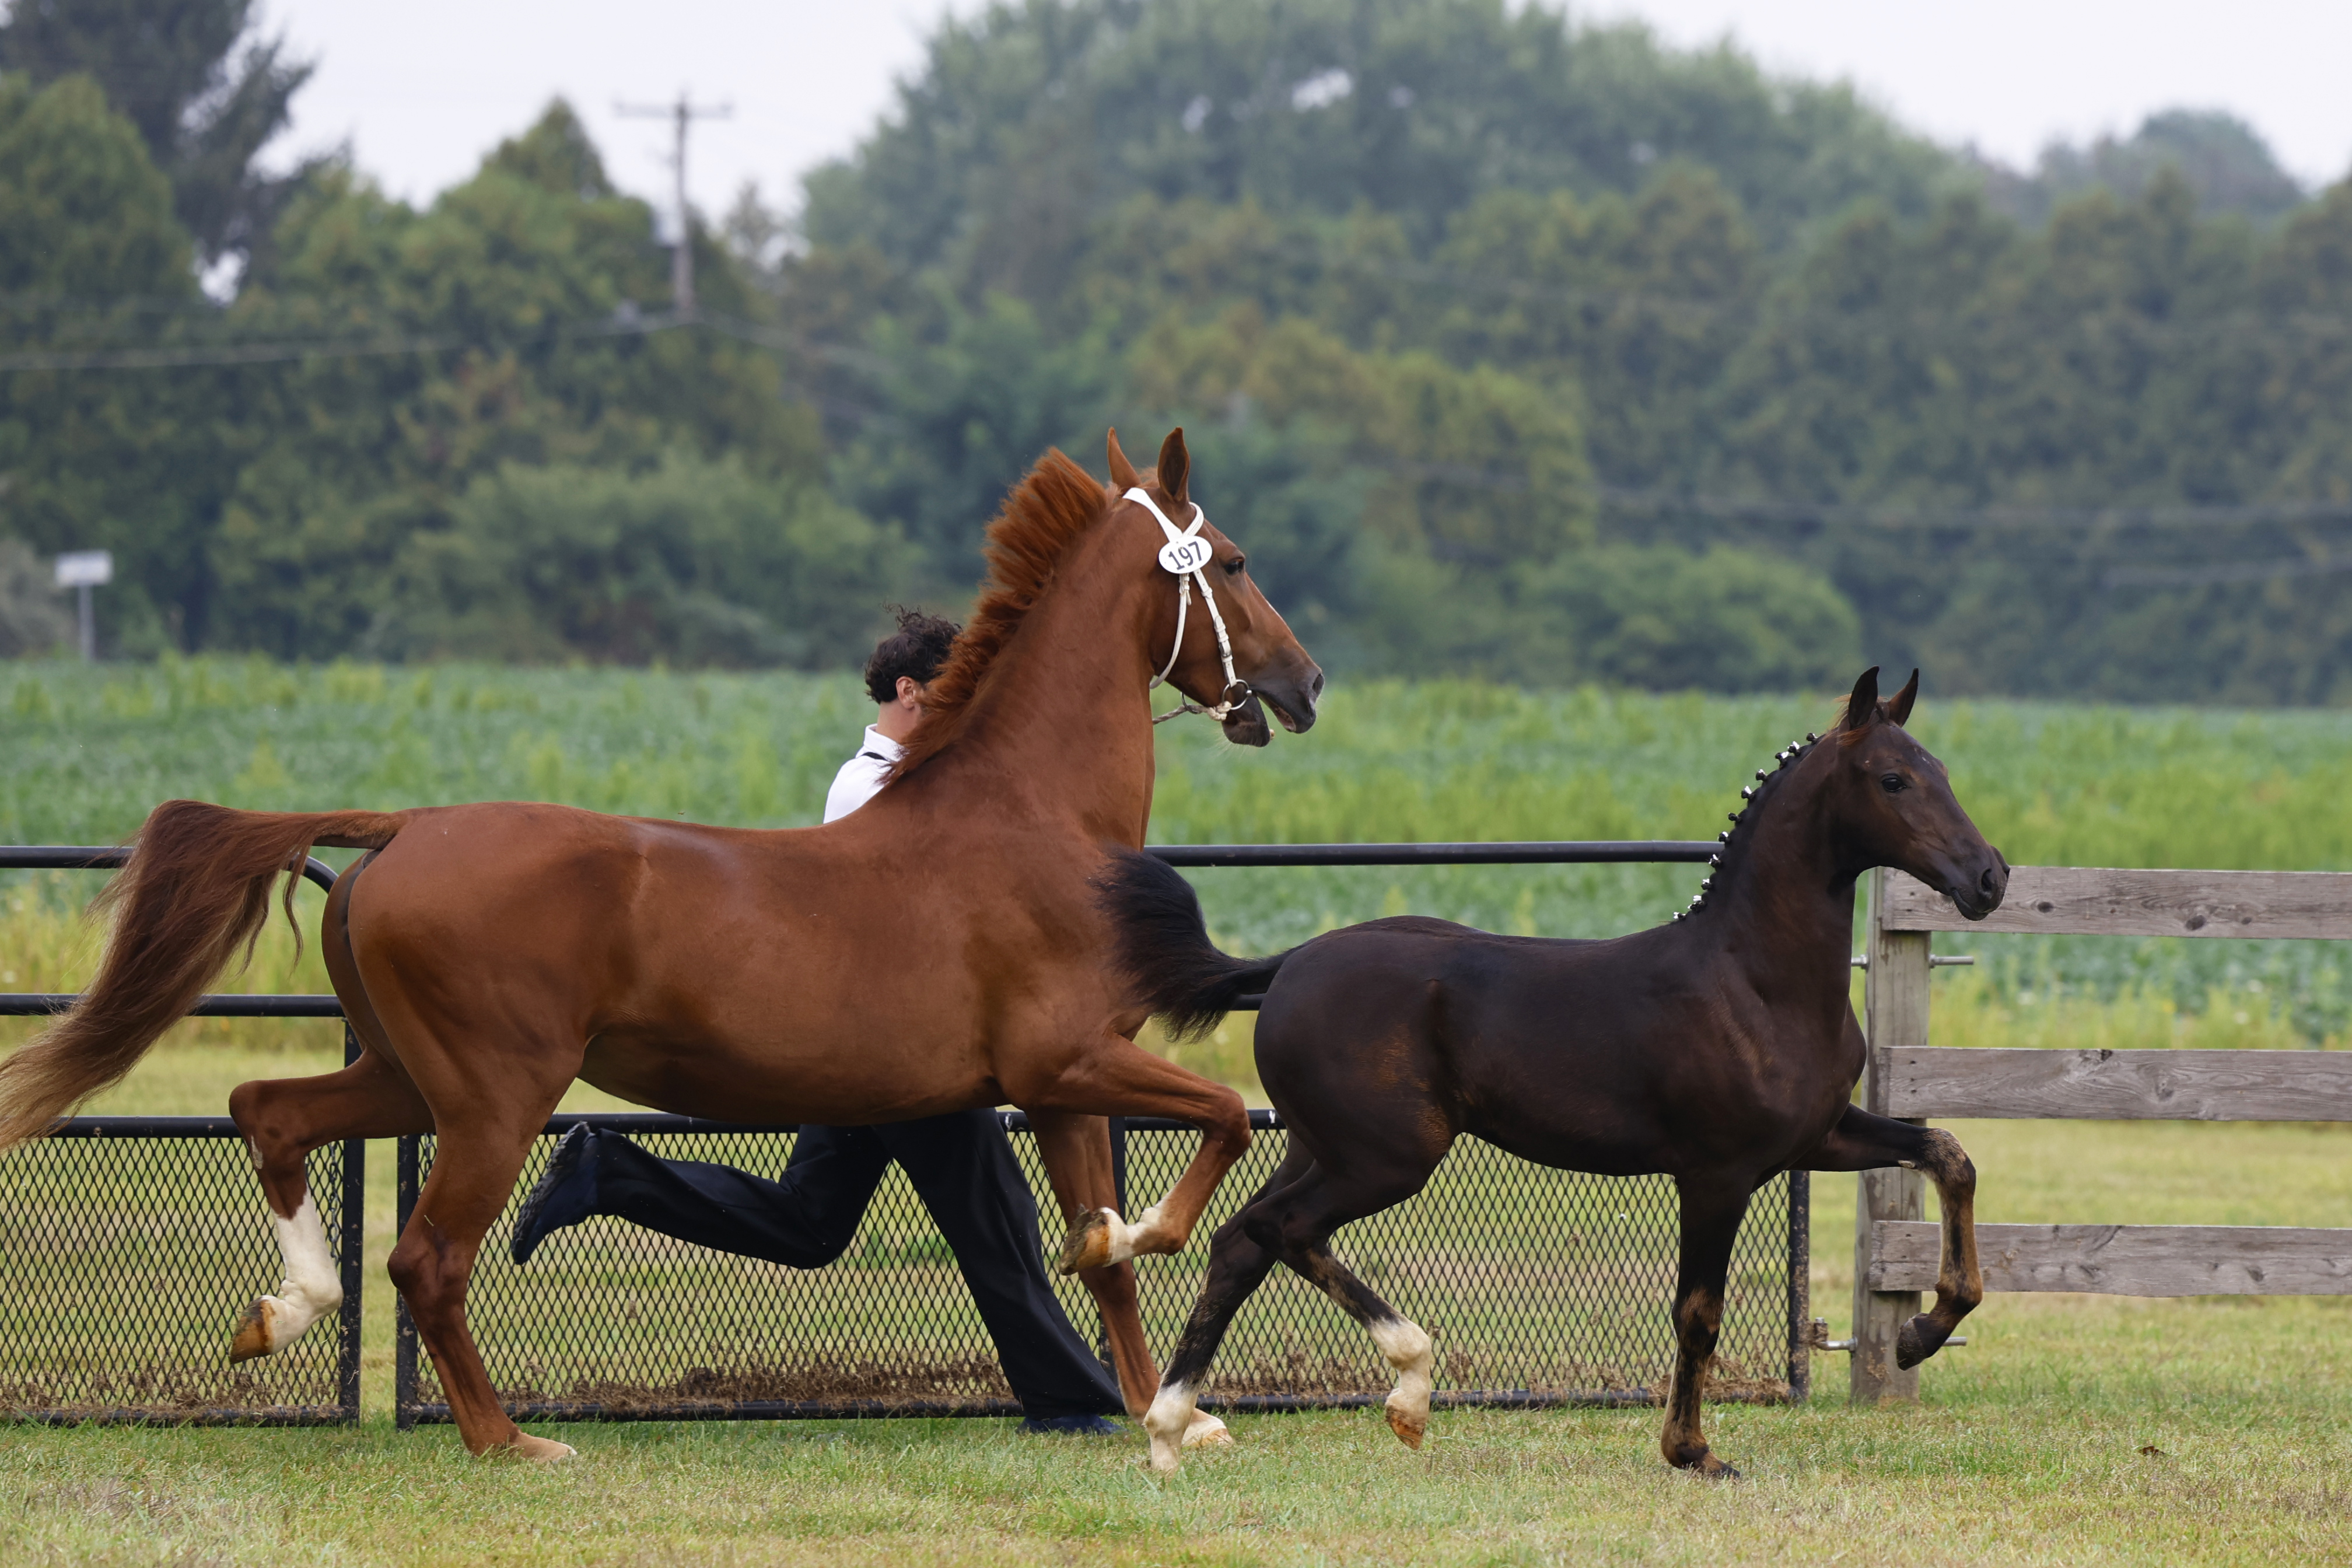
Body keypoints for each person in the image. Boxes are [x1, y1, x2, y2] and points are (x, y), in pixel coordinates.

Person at [509, 609, 1126, 1434]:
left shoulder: (926, 776)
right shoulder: (869, 785)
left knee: (809, 1223)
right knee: (995, 1216)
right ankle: (1070, 1403)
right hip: (903, 1046)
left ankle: (610, 1173)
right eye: (962, 689)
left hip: (882, 1045)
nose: (978, 707)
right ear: (910, 691)